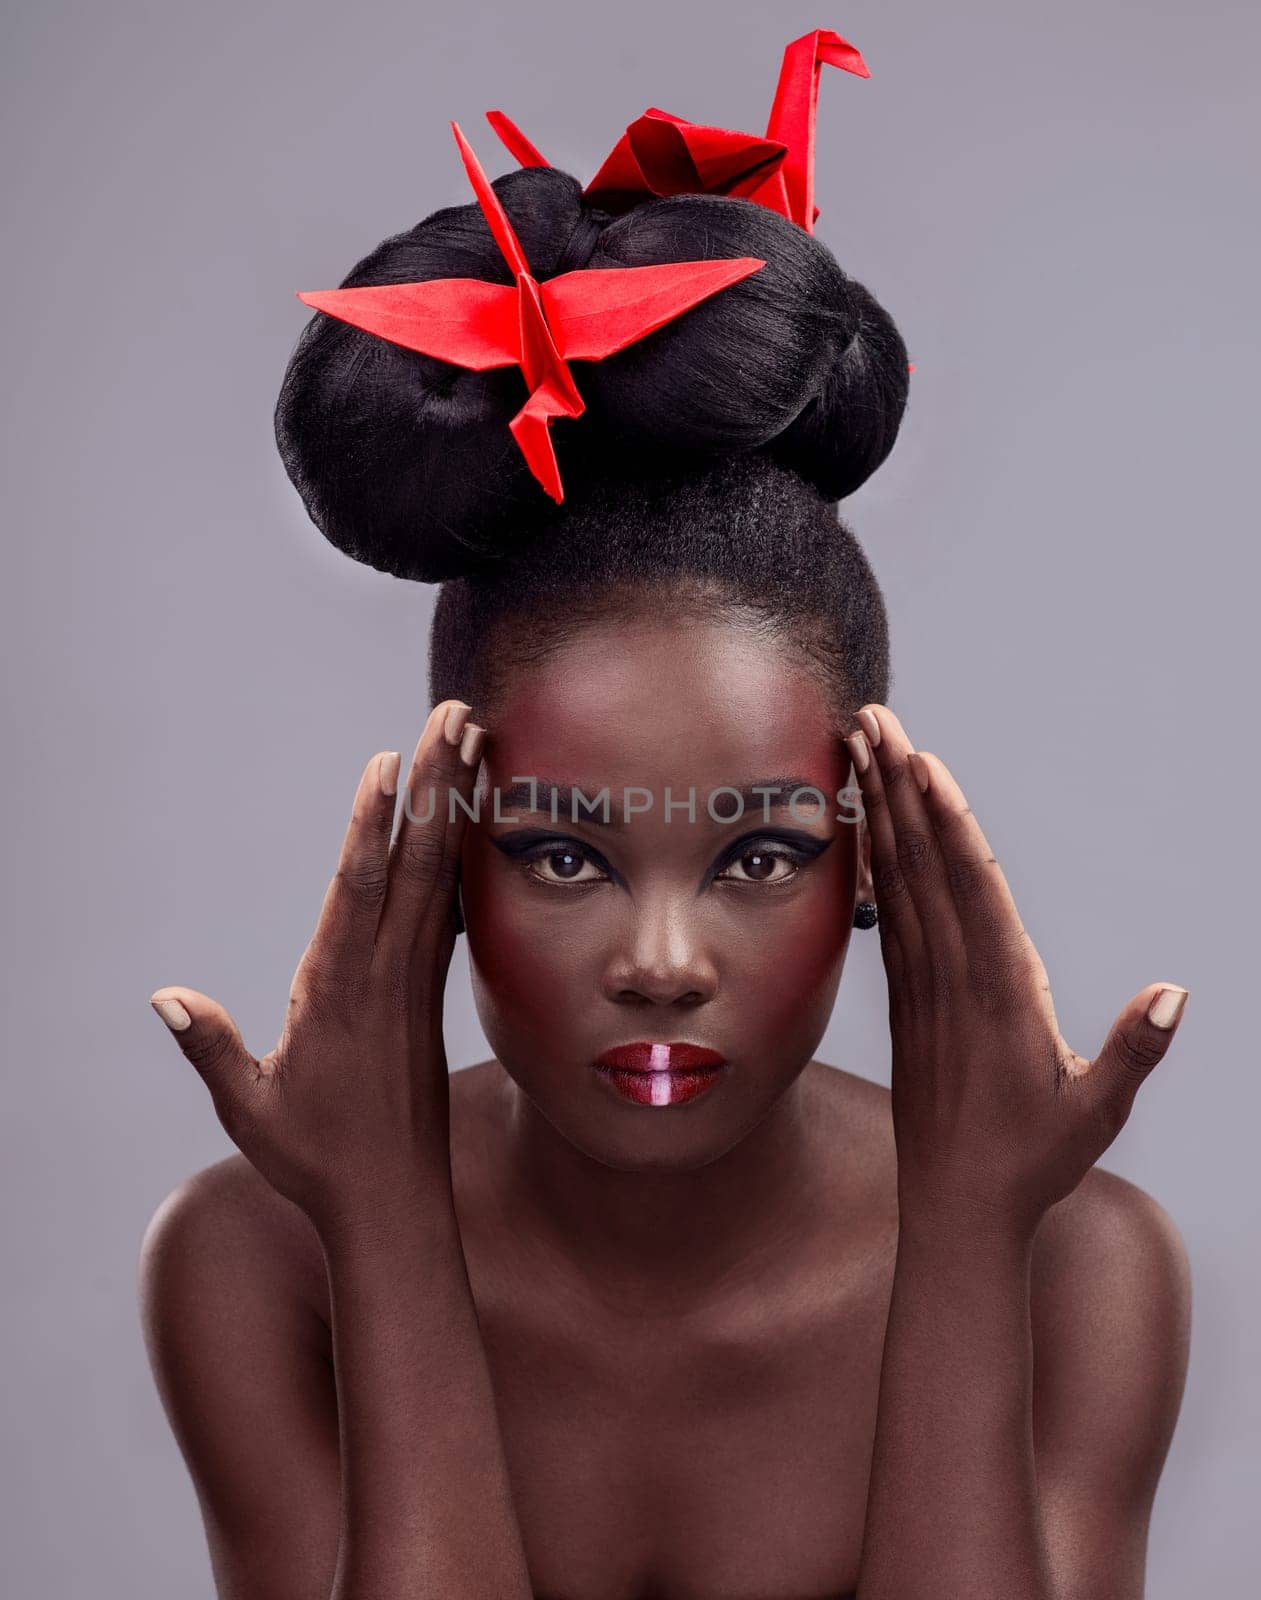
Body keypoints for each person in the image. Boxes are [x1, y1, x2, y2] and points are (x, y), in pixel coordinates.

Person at [137, 31, 1192, 1600]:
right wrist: (385, 1221)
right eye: (560, 852)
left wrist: (968, 1239)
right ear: (439, 854)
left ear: (875, 857)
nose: (659, 960)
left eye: (758, 852)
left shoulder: (1073, 1260)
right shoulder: (260, 1257)